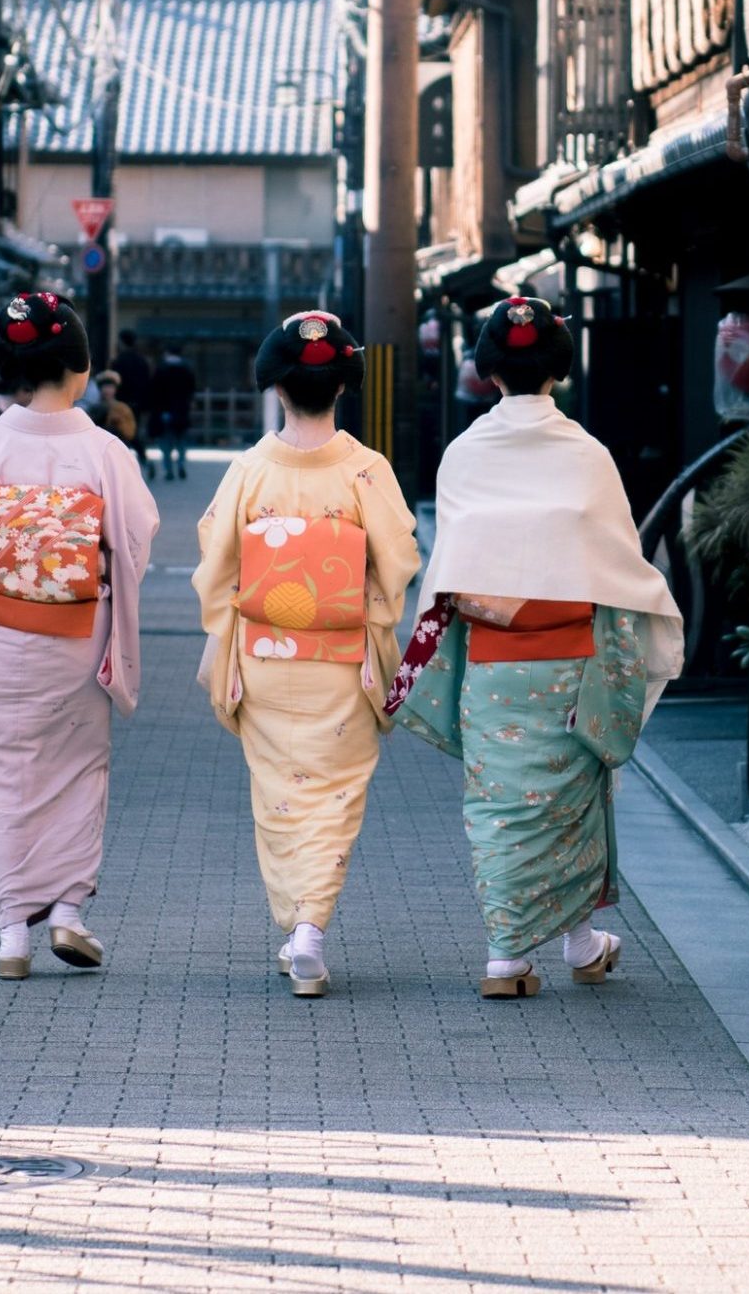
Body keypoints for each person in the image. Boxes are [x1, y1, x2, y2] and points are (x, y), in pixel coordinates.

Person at [385, 296, 684, 999]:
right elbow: (619, 565)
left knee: (500, 806)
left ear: (488, 372)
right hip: (574, 663)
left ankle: (514, 955)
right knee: (579, 800)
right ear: (559, 369)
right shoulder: (586, 456)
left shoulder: (463, 456)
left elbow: (451, 568)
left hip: (493, 666)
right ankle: (570, 946)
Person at [0, 292, 160, 981]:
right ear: (81, 369)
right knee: (79, 771)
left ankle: (10, 936)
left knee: (0, 776)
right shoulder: (104, 450)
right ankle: (69, 914)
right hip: (76, 638)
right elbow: (137, 537)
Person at [192, 312, 420, 997]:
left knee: (278, 797)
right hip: (342, 660)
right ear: (341, 389)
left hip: (266, 658)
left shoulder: (249, 470)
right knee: (335, 795)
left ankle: (297, 927)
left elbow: (217, 568)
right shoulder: (365, 470)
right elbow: (399, 561)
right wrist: (363, 611)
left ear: (278, 391)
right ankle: (311, 929)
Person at [111, 329, 154, 480]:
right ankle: (142, 459)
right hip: (138, 403)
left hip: (123, 402)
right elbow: (148, 383)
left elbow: (115, 384)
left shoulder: (119, 361)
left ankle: (126, 463)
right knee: (132, 431)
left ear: (122, 342)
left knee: (123, 433)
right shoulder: (142, 361)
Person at [151, 343, 196, 481]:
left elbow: (155, 391)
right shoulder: (187, 369)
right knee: (181, 440)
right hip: (182, 410)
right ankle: (181, 463)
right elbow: (191, 389)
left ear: (168, 353)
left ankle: (168, 469)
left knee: (166, 442)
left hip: (165, 410)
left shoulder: (161, 369)